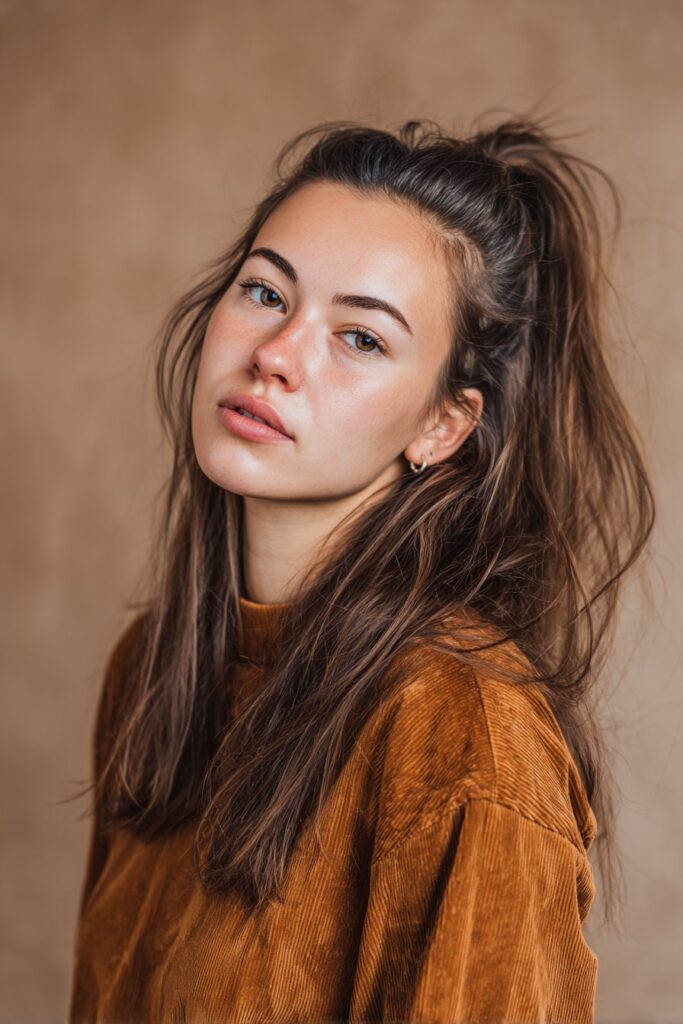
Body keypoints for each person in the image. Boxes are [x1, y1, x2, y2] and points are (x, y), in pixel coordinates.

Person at [67, 114, 655, 1022]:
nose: (275, 357)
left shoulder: (466, 734)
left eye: (362, 337)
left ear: (443, 425)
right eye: (266, 293)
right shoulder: (159, 664)